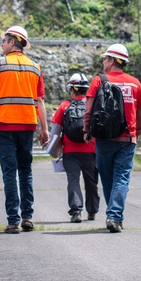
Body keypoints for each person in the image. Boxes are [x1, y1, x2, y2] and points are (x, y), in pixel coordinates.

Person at [0, 25, 50, 234]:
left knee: (9, 172)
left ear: (12, 42)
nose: (1, 44)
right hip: (27, 124)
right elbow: (40, 102)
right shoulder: (35, 67)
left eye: (4, 40)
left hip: (4, 124)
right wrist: (44, 129)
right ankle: (27, 216)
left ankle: (13, 220)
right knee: (26, 170)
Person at [82, 43, 141, 233]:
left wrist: (87, 131)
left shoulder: (99, 81)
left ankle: (113, 214)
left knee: (108, 178)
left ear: (112, 60)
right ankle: (114, 216)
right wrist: (138, 130)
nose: (103, 61)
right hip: (127, 139)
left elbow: (89, 109)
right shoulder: (135, 83)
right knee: (122, 178)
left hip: (103, 138)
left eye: (105, 58)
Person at [48, 73, 100, 222]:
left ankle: (76, 212)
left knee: (73, 181)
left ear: (72, 89)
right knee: (92, 182)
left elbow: (55, 131)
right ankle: (92, 211)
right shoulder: (93, 104)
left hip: (70, 152)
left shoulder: (65, 106)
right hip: (91, 150)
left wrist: (53, 150)